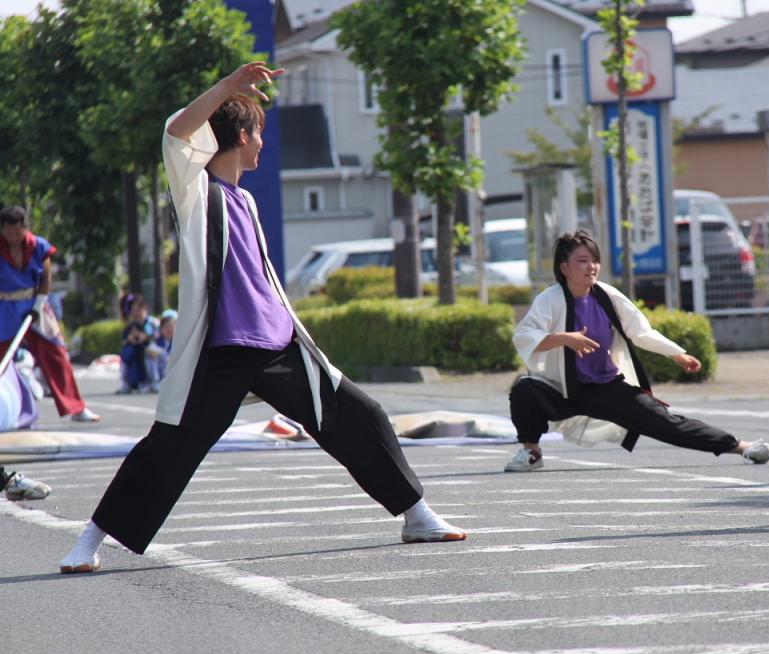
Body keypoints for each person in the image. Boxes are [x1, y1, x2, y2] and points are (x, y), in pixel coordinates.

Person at [58, 62, 465, 574]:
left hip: (278, 345)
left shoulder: (245, 200)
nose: (262, 146)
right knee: (169, 447)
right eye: (258, 135)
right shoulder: (195, 192)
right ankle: (90, 541)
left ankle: (416, 514)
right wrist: (229, 87)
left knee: (361, 416)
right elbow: (176, 133)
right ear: (241, 135)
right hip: (222, 350)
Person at [503, 229, 769, 474]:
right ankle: (531, 451)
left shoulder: (607, 295)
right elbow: (525, 335)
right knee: (524, 390)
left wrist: (675, 353)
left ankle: (743, 448)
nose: (591, 267)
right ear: (564, 268)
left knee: (666, 423)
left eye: (594, 260)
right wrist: (564, 338)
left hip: (606, 387)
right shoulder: (549, 299)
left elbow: (640, 331)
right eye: (582, 261)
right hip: (561, 389)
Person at [0, 206, 100, 423]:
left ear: (25, 228)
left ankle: (76, 407)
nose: (13, 238)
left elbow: (45, 278)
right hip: (4, 307)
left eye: (17, 233)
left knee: (56, 353)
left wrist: (39, 302)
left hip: (34, 304)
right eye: (8, 233)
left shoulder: (38, 246)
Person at [117, 295, 159, 394]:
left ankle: (152, 381)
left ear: (146, 310)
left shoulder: (152, 322)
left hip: (150, 348)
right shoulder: (131, 324)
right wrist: (130, 339)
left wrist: (143, 337)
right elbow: (125, 339)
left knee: (150, 353)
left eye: (140, 309)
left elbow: (155, 336)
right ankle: (127, 383)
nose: (137, 313)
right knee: (126, 354)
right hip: (135, 348)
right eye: (135, 310)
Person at [145, 309, 176, 390]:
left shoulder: (177, 342)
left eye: (171, 326)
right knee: (151, 358)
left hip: (173, 372)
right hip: (161, 371)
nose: (169, 329)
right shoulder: (158, 341)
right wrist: (159, 352)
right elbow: (150, 349)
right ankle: (155, 382)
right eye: (166, 326)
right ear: (161, 329)